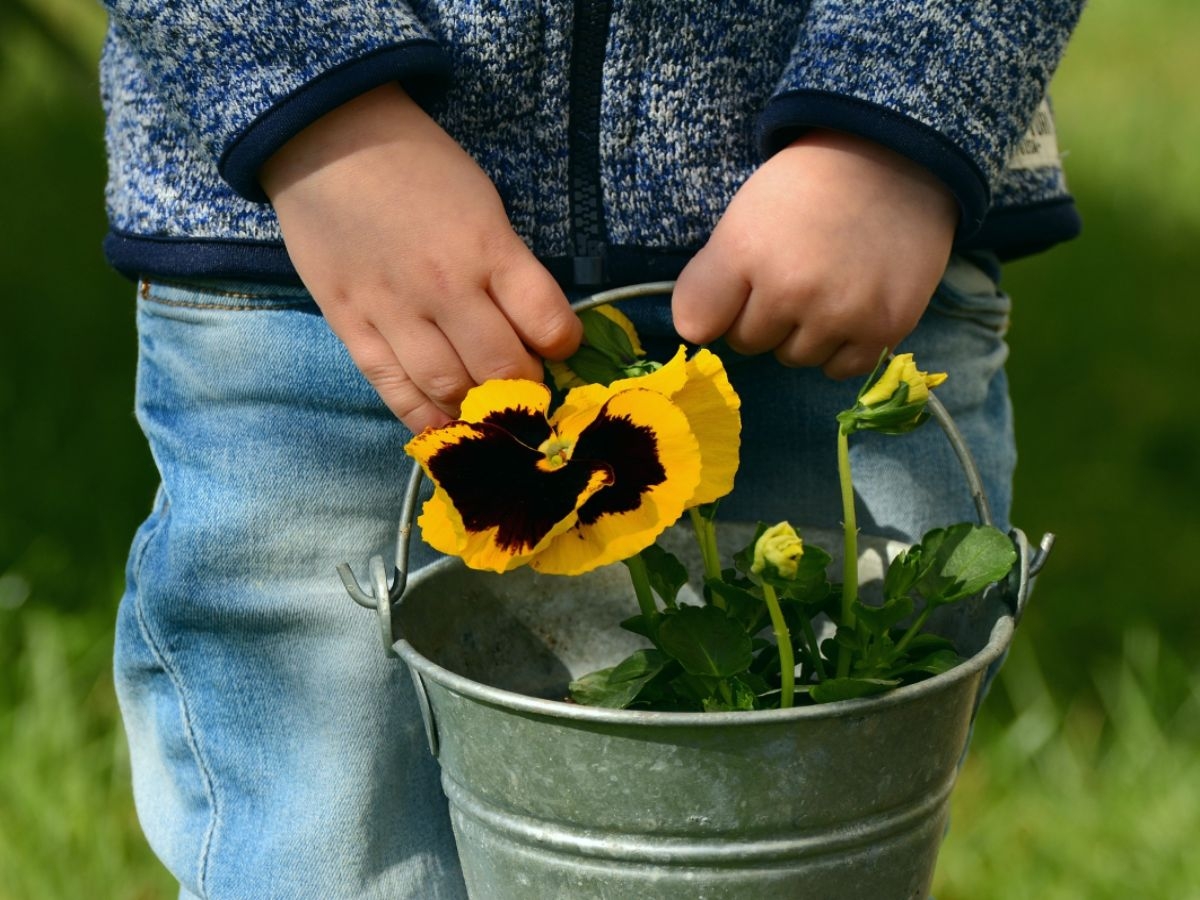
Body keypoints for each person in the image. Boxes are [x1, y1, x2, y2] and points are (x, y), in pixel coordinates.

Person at [100, 3, 1083, 897]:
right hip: (332, 249)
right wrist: (315, 109)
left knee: (812, 826)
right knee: (329, 847)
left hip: (843, 248)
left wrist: (900, 115)